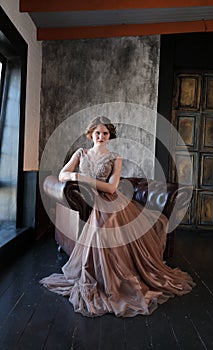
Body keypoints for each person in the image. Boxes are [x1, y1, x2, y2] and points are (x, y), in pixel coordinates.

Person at [40, 116, 195, 317]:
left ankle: (116, 277)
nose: (101, 136)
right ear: (90, 134)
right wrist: (74, 176)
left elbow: (112, 187)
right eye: (97, 132)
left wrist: (83, 178)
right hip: (89, 197)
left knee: (107, 219)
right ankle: (98, 274)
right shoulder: (81, 153)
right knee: (101, 218)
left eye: (105, 133)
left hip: (110, 199)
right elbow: (62, 174)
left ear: (109, 136)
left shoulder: (115, 157)